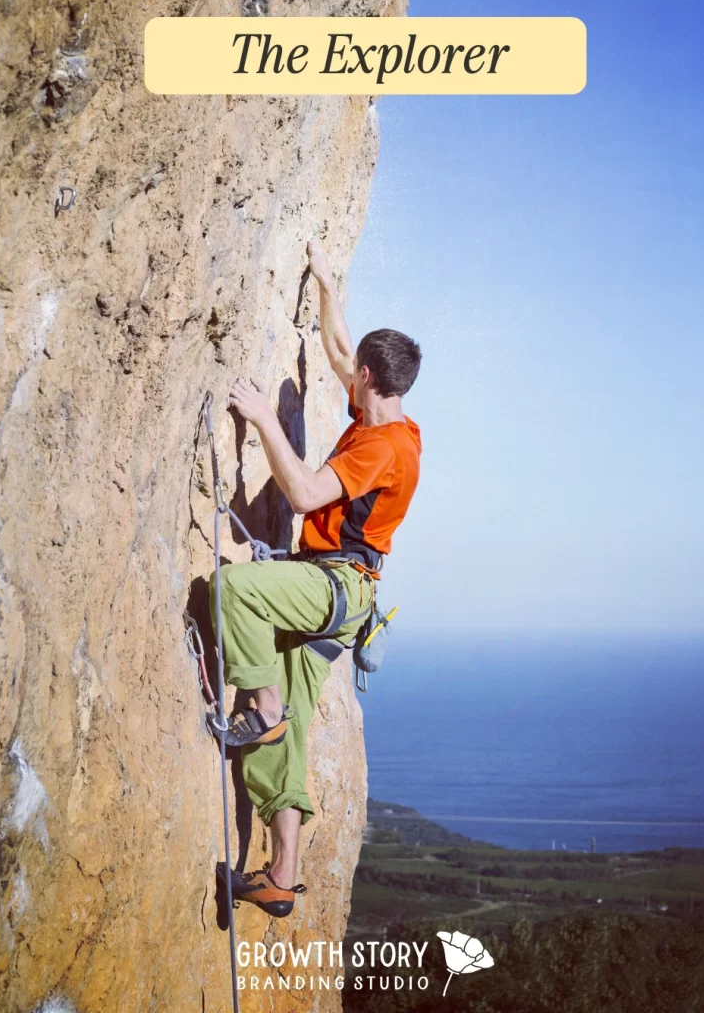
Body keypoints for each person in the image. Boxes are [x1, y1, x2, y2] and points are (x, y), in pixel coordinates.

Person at [209, 239, 422, 917]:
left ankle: (262, 712)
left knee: (234, 589)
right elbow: (336, 349)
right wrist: (326, 285)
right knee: (291, 738)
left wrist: (264, 418)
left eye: (351, 374)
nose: (344, 375)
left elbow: (302, 494)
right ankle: (281, 875)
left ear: (366, 379)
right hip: (344, 598)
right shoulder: (393, 420)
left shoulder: (378, 449)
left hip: (335, 585)